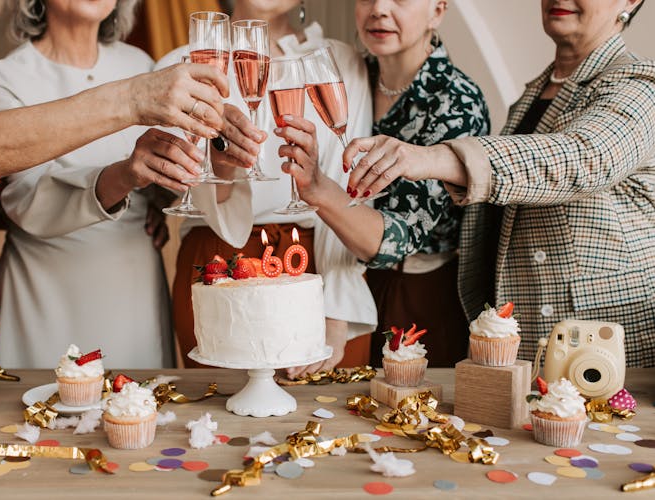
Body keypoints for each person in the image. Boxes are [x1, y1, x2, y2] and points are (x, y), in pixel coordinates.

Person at [0, 0, 229, 367]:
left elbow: (174, 166)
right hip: (45, 289)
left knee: (139, 407)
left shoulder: (141, 65)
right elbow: (8, 192)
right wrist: (123, 174)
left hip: (132, 281)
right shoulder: (8, 75)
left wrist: (156, 193)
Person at [344, 0, 655, 366]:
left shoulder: (639, 84)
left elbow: (582, 157)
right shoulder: (536, 92)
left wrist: (430, 157)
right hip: (527, 338)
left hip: (600, 342)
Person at [157, 0, 378, 376]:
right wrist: (222, 167)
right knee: (222, 425)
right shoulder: (179, 64)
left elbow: (348, 186)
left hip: (322, 266)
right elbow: (181, 188)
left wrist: (336, 312)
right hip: (217, 263)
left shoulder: (340, 60)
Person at [274, 0, 489, 367]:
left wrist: (316, 188)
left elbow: (395, 241)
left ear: (437, 11)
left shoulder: (456, 101)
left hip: (421, 296)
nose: (379, 9)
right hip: (342, 284)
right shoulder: (349, 73)